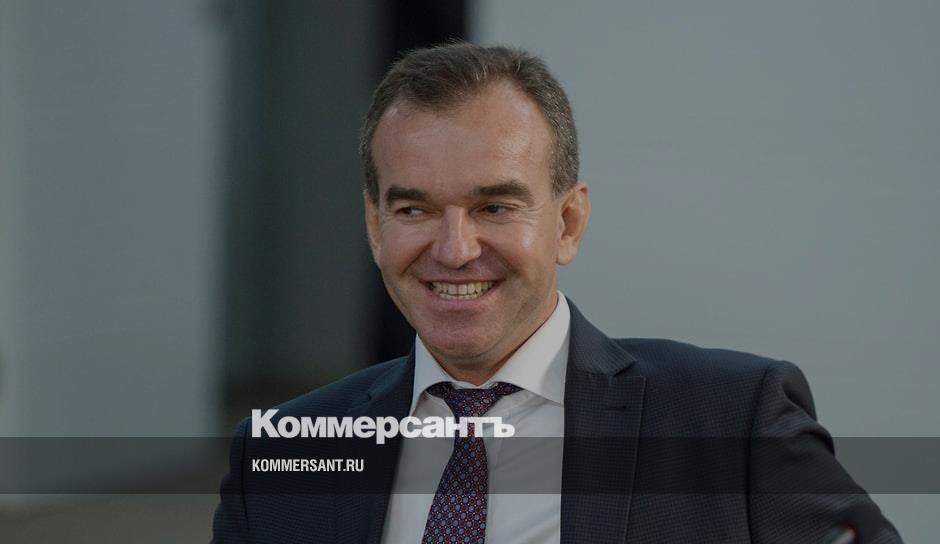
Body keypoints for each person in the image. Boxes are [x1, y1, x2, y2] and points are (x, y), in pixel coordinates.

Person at [213, 43, 901, 543]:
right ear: (375, 225)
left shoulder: (733, 422)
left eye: (495, 207)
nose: (453, 249)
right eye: (415, 209)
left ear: (567, 223)